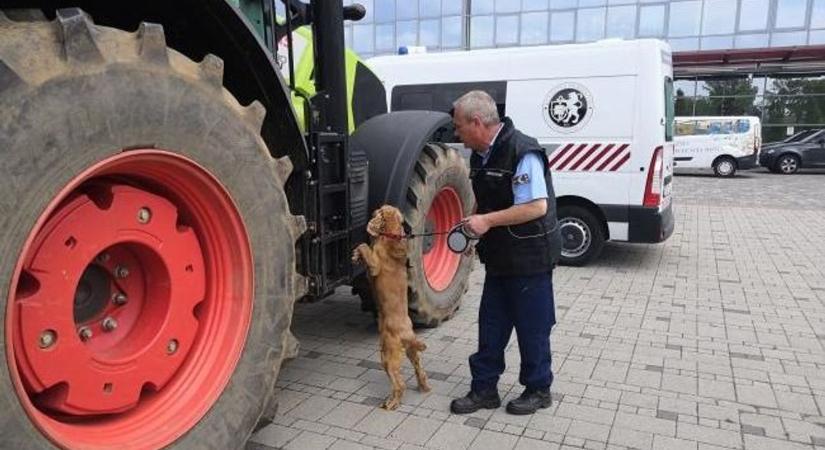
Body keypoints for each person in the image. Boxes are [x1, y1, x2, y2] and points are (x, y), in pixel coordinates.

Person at [449, 90, 562, 416]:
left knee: (533, 327)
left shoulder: (522, 151)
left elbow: (535, 207)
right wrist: (471, 228)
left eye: (459, 127)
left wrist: (485, 221)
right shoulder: (481, 155)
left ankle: (539, 389)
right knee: (491, 326)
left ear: (477, 122)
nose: (457, 133)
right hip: (500, 258)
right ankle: (484, 389)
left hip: (530, 257)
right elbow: (484, 201)